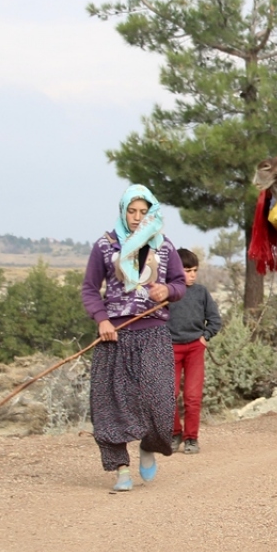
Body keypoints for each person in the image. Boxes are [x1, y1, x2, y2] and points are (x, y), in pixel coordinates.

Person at [80, 185, 186, 492]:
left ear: (152, 213)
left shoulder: (164, 246)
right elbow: (89, 288)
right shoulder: (105, 246)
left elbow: (179, 283)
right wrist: (102, 320)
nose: (137, 218)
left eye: (143, 212)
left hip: (153, 334)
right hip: (114, 337)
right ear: (123, 212)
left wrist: (168, 290)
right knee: (109, 404)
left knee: (159, 402)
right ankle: (121, 470)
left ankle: (148, 446)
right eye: (132, 211)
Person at [168, 248, 221, 455]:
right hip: (170, 349)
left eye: (195, 270)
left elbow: (215, 319)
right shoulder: (167, 293)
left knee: (192, 396)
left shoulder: (201, 292)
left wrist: (205, 336)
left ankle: (191, 438)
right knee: (169, 395)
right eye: (187, 270)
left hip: (194, 348)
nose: (192, 275)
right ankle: (174, 433)